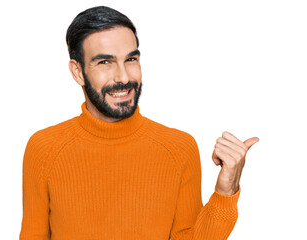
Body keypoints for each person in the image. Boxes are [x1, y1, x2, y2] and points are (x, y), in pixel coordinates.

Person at [19, 6, 259, 240]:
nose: (123, 77)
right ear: (78, 71)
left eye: (131, 59)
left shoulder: (179, 148)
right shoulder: (44, 148)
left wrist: (225, 192)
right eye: (105, 62)